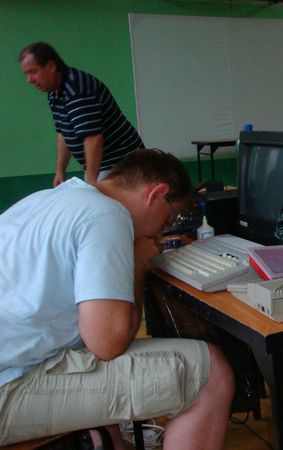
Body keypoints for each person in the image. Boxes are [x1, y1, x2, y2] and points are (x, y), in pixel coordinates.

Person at [0, 149, 234, 449]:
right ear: (156, 194)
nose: (161, 232)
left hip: (14, 359)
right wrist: (137, 264)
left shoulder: (51, 198)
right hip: (9, 383)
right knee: (210, 373)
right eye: (167, 220)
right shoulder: (106, 215)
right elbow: (107, 344)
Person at [19, 42, 145, 185]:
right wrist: (60, 171)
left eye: (33, 72)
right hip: (103, 166)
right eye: (27, 74)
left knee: (98, 197)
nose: (29, 80)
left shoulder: (77, 90)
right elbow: (63, 132)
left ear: (51, 67)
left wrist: (91, 183)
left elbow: (93, 138)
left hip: (121, 164)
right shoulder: (54, 92)